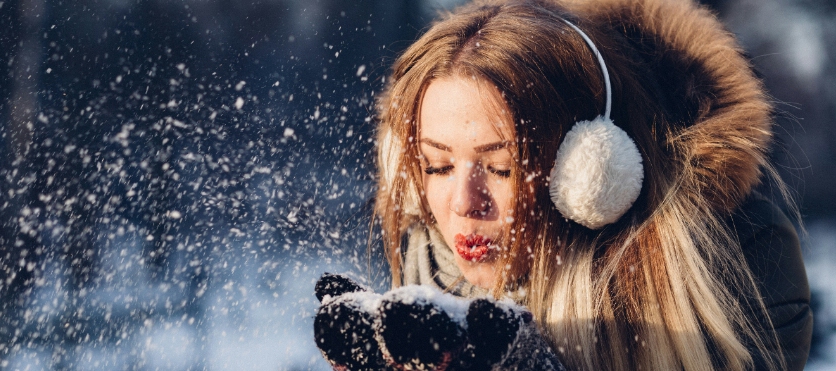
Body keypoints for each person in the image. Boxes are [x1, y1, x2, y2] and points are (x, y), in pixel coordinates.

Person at [315, 0, 813, 369]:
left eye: (501, 168)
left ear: (591, 172)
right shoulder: (428, 256)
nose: (464, 204)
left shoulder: (733, 265)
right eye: (436, 166)